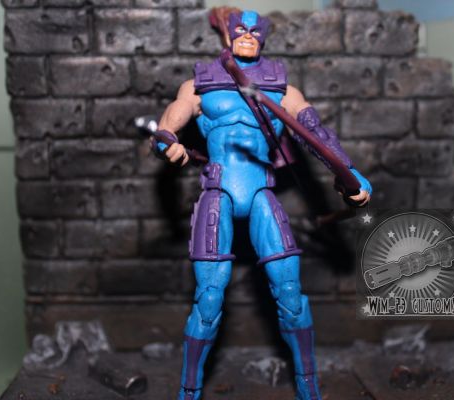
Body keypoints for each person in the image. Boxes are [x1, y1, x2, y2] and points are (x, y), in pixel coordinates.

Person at [151, 9, 372, 400]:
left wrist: (349, 173)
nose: (248, 35)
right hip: (218, 192)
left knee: (290, 294)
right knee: (208, 300)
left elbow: (316, 135)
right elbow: (167, 126)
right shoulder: (201, 83)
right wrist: (167, 143)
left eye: (255, 31)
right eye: (241, 29)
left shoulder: (282, 87)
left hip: (260, 192)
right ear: (228, 34)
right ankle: (189, 391)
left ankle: (308, 386)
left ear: (264, 37)